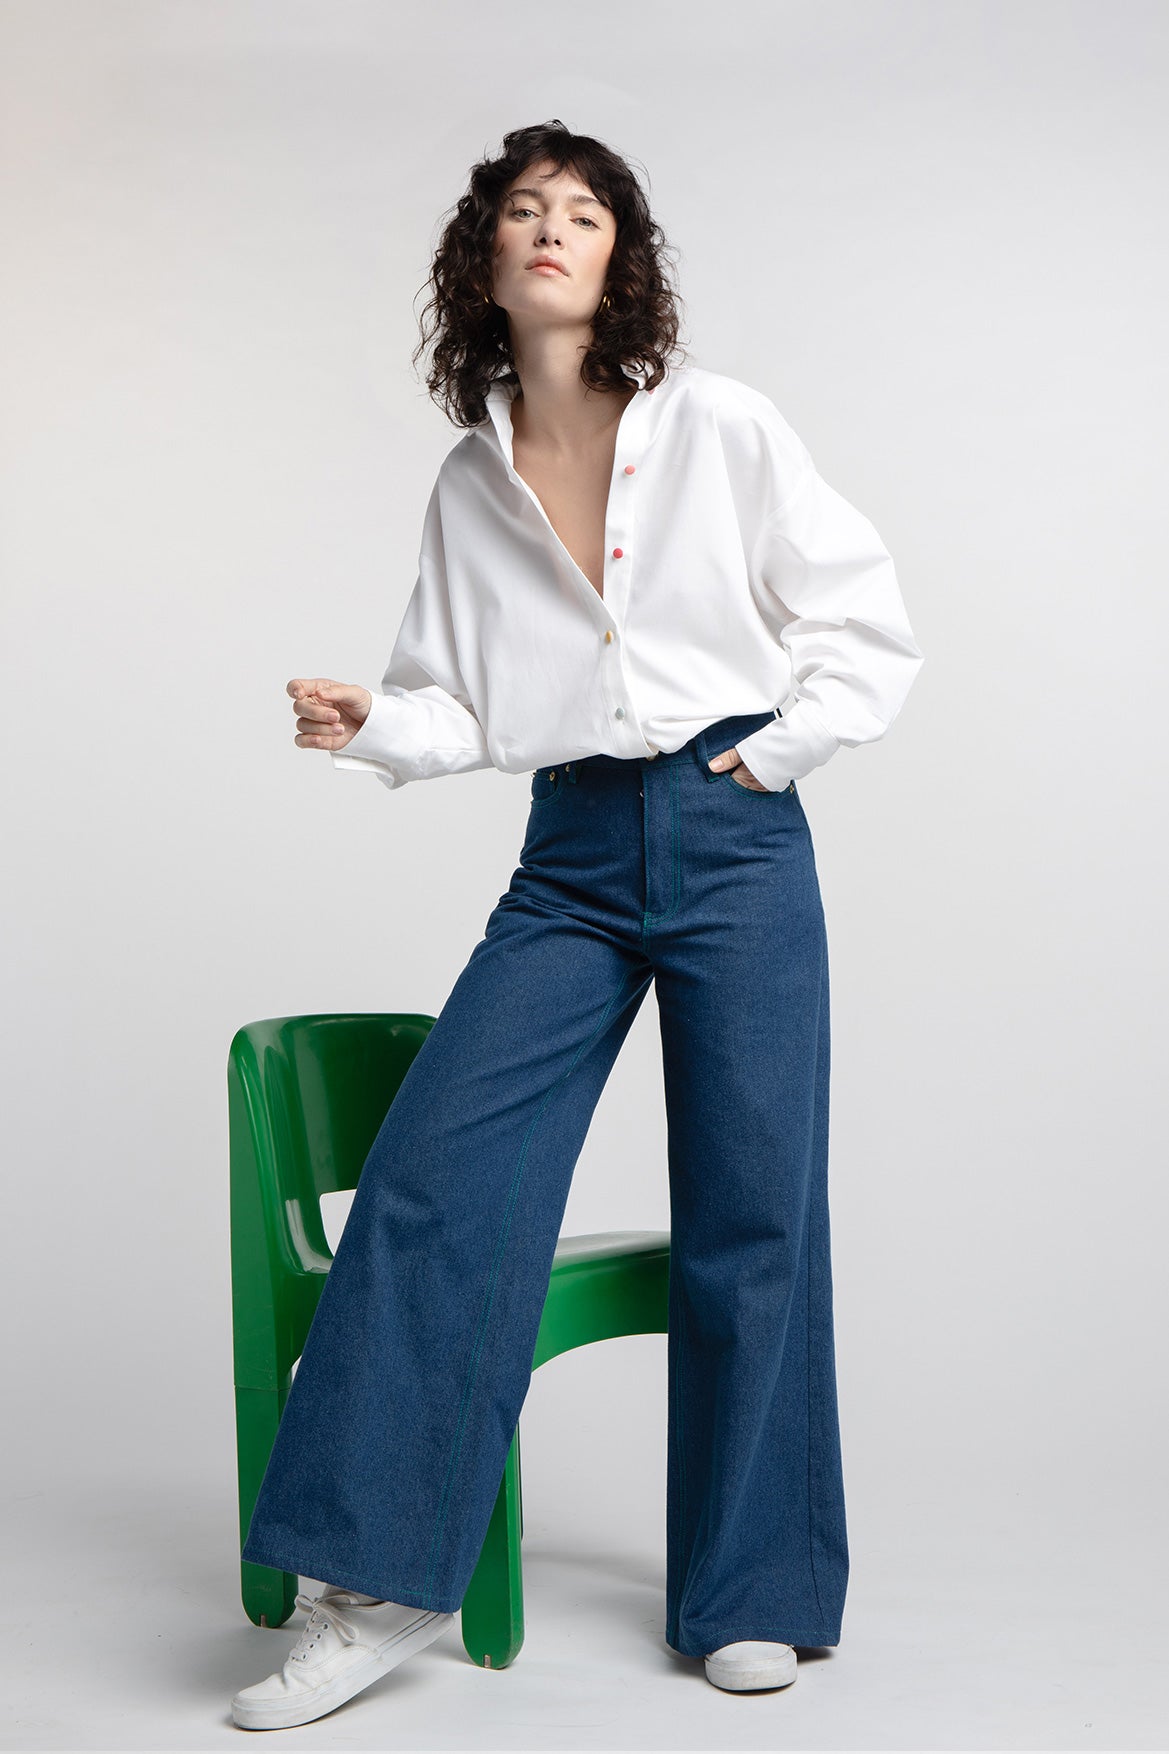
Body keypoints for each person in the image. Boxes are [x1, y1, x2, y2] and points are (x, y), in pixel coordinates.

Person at [231, 119, 924, 1731]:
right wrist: (374, 723)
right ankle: (379, 1582)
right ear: (484, 259)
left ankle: (753, 1591)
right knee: (433, 1179)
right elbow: (457, 700)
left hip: (735, 836)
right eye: (525, 210)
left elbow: (863, 617)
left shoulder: (721, 425)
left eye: (586, 212)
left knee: (755, 1210)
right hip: (572, 855)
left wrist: (776, 751)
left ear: (621, 261)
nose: (552, 228)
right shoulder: (468, 480)